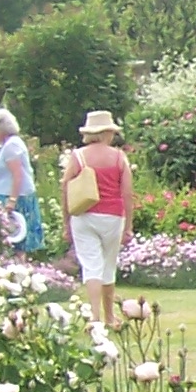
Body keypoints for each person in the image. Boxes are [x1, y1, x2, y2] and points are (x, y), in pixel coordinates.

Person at [61, 109, 133, 324]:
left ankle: (95, 317)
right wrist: (128, 226)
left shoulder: (78, 157)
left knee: (91, 266)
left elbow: (65, 188)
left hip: (84, 215)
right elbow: (127, 193)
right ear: (107, 133)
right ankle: (109, 316)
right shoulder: (119, 157)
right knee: (108, 266)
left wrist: (66, 223)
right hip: (113, 217)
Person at [0, 108, 43, 255]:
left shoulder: (12, 146)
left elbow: (18, 175)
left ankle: (18, 267)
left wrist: (12, 201)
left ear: (2, 129)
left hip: (14, 198)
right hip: (7, 194)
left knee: (16, 240)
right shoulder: (9, 144)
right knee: (13, 243)